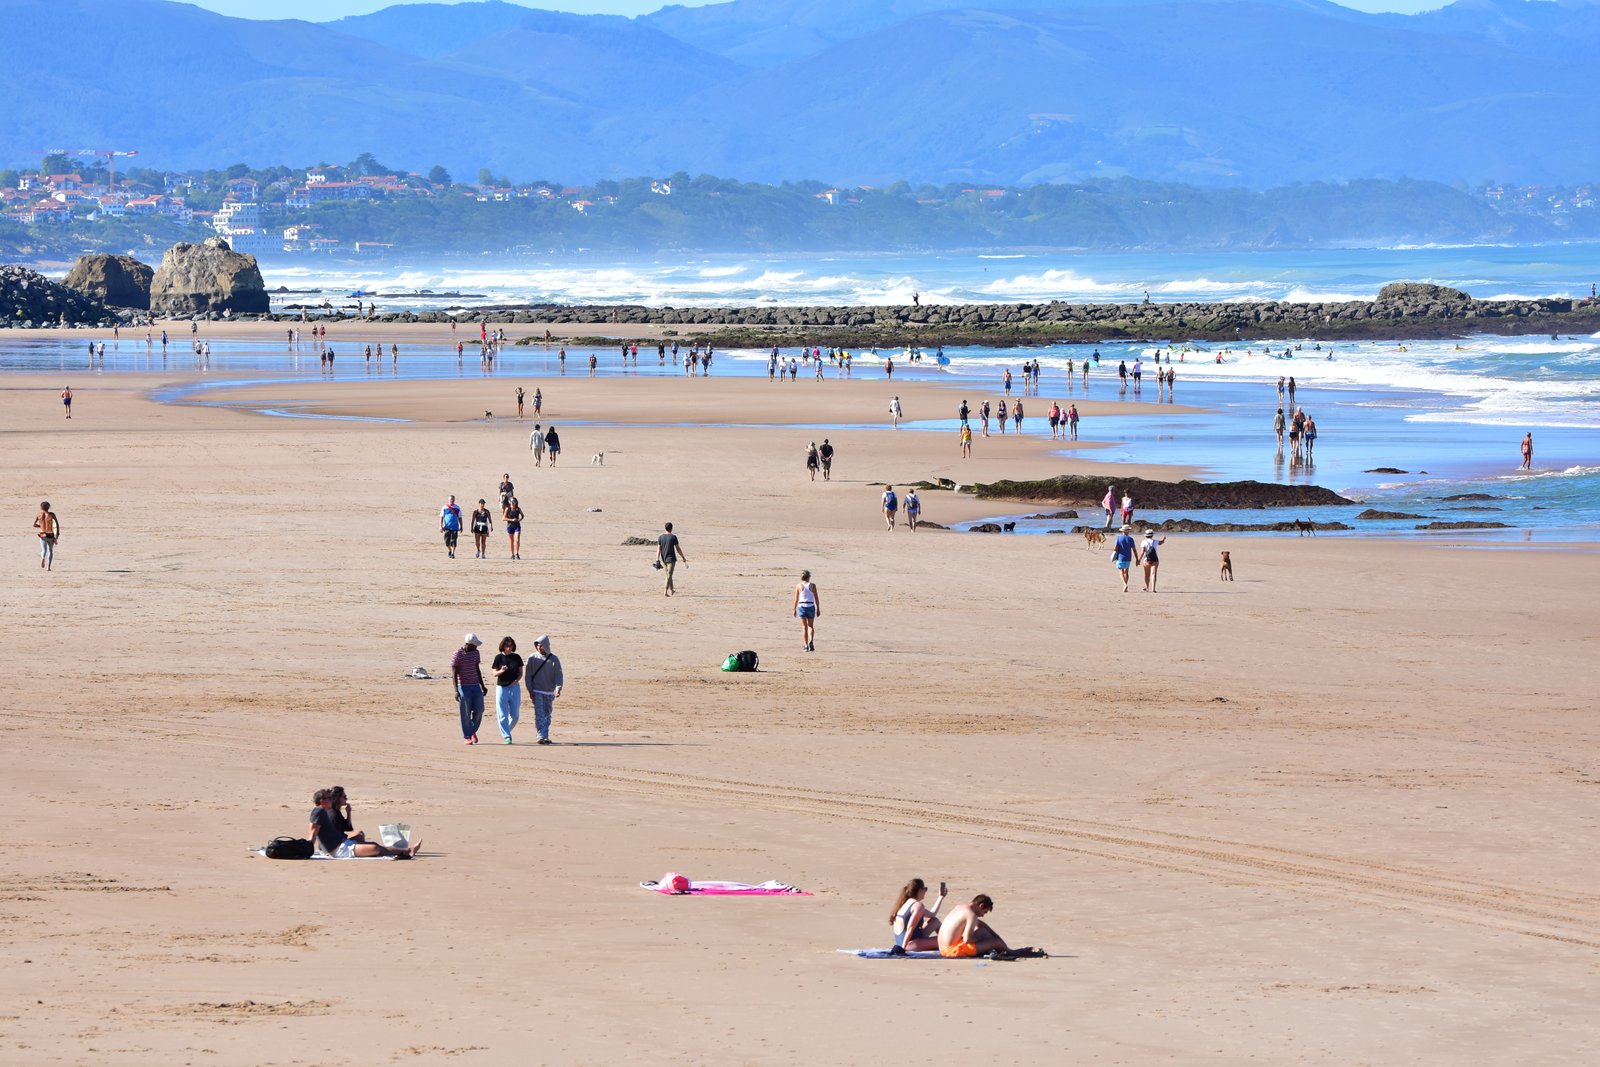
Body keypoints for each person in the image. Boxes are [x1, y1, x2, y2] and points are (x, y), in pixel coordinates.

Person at [308, 788, 419, 858]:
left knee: (374, 846)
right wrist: (308, 849)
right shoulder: (319, 812)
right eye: (329, 798)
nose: (331, 800)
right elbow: (312, 833)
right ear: (322, 801)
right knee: (375, 849)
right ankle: (407, 851)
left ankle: (406, 851)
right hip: (339, 850)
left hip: (342, 844)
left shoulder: (324, 812)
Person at [938, 894, 1024, 958]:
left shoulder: (960, 908)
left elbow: (981, 924)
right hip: (952, 952)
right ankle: (1012, 952)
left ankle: (1004, 949)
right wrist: (982, 939)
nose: (983, 915)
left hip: (943, 949)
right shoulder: (971, 915)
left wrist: (996, 936)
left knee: (984, 932)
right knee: (995, 942)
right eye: (984, 912)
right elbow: (967, 940)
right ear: (981, 906)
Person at [523, 635, 563, 745]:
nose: (538, 648)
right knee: (539, 714)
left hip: (549, 692)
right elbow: (528, 676)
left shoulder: (554, 659)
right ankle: (541, 735)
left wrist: (558, 688)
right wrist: (530, 689)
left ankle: (544, 735)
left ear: (546, 646)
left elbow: (558, 674)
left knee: (547, 715)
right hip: (537, 691)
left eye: (540, 646)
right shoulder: (532, 658)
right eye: (537, 645)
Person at [889, 878, 946, 953]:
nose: (925, 892)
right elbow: (910, 928)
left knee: (934, 921)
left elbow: (932, 914)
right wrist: (903, 948)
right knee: (947, 940)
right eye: (925, 889)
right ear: (920, 890)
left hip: (908, 940)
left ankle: (945, 938)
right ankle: (947, 941)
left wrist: (940, 897)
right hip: (911, 944)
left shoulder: (907, 903)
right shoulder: (918, 906)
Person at [452, 632, 487, 744]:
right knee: (465, 712)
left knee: (479, 710)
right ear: (469, 644)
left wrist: (483, 685)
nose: (476, 647)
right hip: (463, 686)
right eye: (475, 645)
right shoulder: (457, 654)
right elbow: (454, 673)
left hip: (475, 685)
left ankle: (472, 731)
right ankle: (468, 736)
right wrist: (456, 691)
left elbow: (477, 669)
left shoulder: (476, 653)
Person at [491, 636, 524, 743]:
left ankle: (506, 731)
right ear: (503, 646)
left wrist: (517, 680)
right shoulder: (498, 658)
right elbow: (494, 673)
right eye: (507, 646)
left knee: (515, 716)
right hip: (501, 688)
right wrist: (501, 670)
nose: (509, 648)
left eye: (510, 646)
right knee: (502, 714)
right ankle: (507, 736)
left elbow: (520, 672)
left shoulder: (517, 657)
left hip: (514, 687)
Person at [657, 521, 686, 596]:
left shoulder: (660, 537)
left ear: (665, 528)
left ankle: (672, 590)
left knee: (669, 574)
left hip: (664, 559)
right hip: (671, 559)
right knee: (669, 575)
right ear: (671, 529)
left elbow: (658, 549)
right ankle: (665, 591)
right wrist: (683, 557)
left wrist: (657, 559)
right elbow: (678, 549)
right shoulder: (673, 537)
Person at [793, 569, 819, 652]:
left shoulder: (799, 586)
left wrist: (794, 609)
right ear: (808, 577)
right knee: (811, 626)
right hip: (811, 605)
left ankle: (806, 645)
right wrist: (818, 608)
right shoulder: (813, 585)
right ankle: (811, 641)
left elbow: (796, 599)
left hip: (802, 606)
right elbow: (816, 598)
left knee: (804, 627)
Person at [34, 501, 59, 571]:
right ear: (49, 507)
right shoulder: (52, 515)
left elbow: (34, 525)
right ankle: (48, 567)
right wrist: (56, 536)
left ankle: (43, 558)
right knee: (50, 550)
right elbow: (56, 525)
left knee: (43, 550)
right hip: (50, 535)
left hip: (42, 534)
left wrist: (41, 526)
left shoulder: (39, 515)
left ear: (41, 507)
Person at [1111, 524, 1137, 592]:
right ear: (1128, 531)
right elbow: (1134, 549)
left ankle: (1124, 584)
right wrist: (1137, 559)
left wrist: (1114, 552)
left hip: (1120, 557)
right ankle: (1126, 585)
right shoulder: (1131, 539)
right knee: (1126, 572)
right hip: (1128, 557)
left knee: (1120, 571)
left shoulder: (1118, 538)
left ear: (1122, 531)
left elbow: (1115, 548)